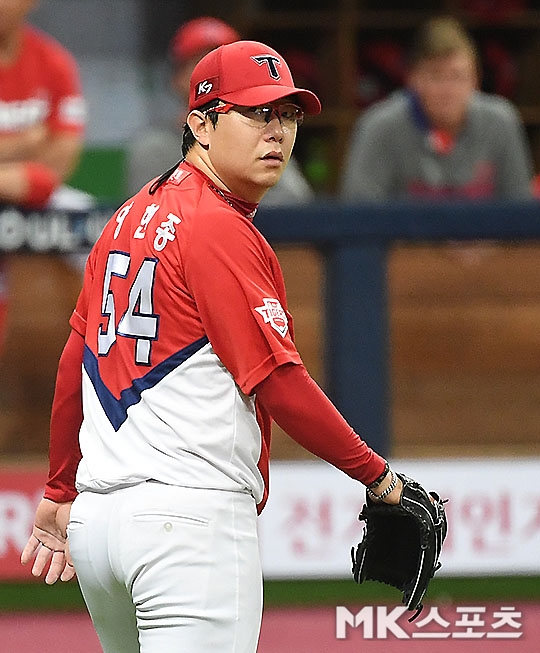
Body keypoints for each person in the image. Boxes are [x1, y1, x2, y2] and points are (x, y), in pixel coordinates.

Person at [21, 40, 405, 651]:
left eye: (288, 115)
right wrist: (380, 479)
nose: (277, 132)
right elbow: (277, 380)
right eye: (256, 114)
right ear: (200, 123)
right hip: (187, 525)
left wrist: (61, 488)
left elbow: (77, 362)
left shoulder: (126, 217)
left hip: (100, 525)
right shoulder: (217, 227)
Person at [340, 15, 533, 201]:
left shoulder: (501, 121)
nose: (447, 90)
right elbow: (359, 217)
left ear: (476, 79)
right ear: (413, 79)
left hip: (486, 236)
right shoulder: (379, 126)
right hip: (404, 235)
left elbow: (519, 209)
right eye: (436, 77)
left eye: (457, 76)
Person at [127, 16, 314, 206]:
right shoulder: (154, 148)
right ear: (177, 77)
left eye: (226, 66)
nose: (215, 73)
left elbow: (295, 204)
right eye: (201, 62)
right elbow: (152, 216)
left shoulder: (264, 135)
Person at [0, 0, 87, 351]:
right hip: (23, 181)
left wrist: (21, 178)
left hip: (39, 192)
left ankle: (118, 358)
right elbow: (43, 147)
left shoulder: (53, 62)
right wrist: (24, 143)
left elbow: (61, 158)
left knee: (108, 235)